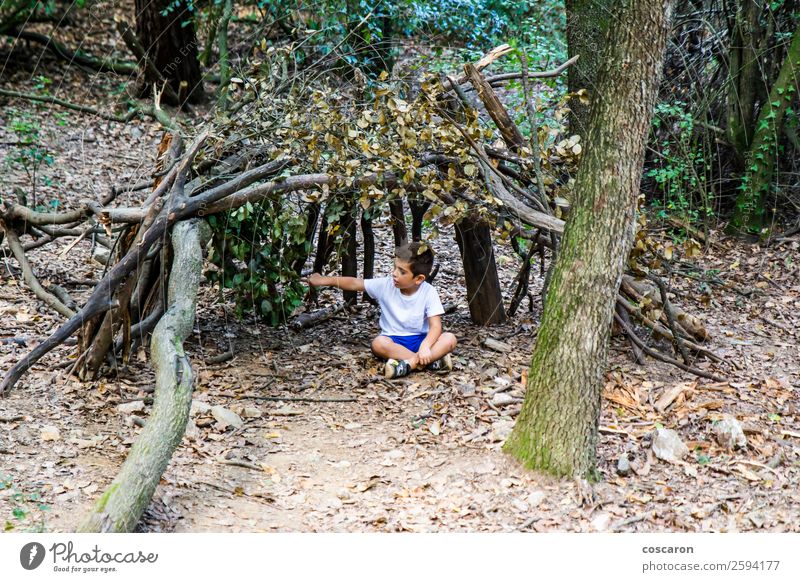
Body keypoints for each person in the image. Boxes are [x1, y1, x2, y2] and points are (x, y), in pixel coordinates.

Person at [307, 242, 457, 379]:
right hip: (394, 341)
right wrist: (323, 280)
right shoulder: (386, 285)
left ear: (418, 279)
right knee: (378, 344)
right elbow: (355, 283)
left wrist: (425, 346)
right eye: (394, 268)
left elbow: (436, 327)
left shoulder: (428, 292)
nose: (394, 274)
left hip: (421, 340)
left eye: (402, 272)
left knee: (449, 338)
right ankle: (428, 363)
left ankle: (409, 364)